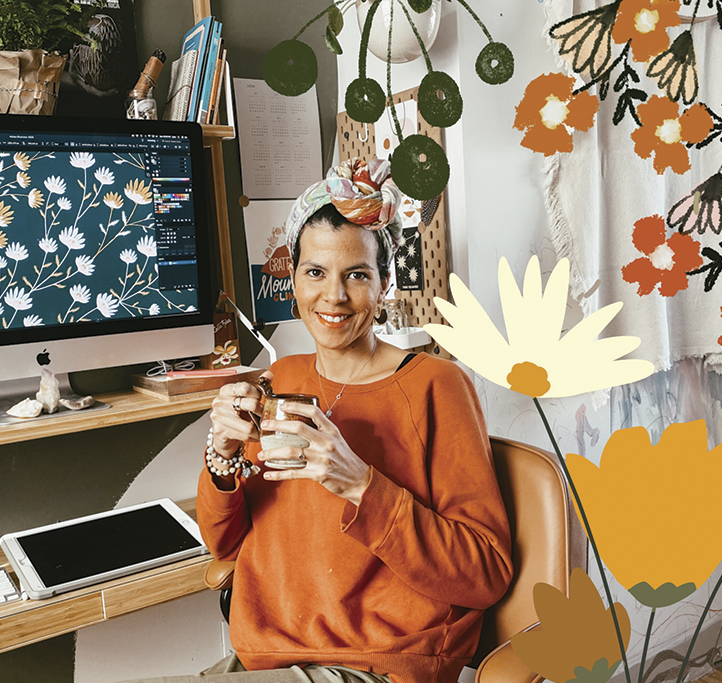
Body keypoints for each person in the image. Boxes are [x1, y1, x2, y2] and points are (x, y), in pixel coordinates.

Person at [142, 158, 512, 683]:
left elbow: (486, 574)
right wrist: (222, 456)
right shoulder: (280, 378)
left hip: (377, 664)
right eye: (315, 272)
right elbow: (225, 545)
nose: (333, 297)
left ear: (384, 284)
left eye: (357, 275)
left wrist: (362, 484)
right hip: (268, 656)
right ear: (291, 280)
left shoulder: (436, 386)